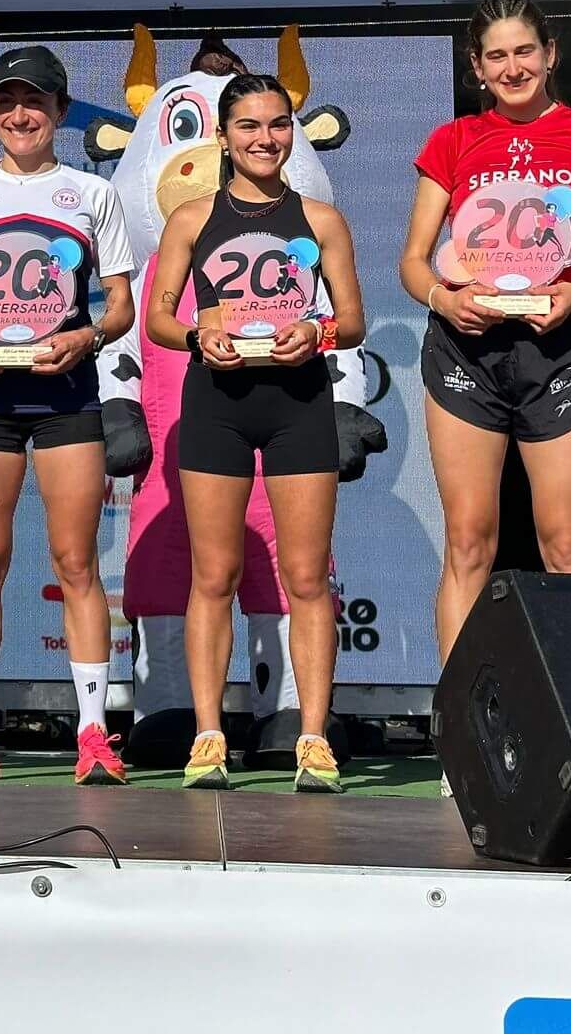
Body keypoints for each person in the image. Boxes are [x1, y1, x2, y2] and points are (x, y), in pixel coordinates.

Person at [399, 0, 571, 668]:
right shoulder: (451, 141)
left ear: (550, 54)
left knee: (565, 542)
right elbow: (413, 263)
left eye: (524, 52)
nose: (513, 68)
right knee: (470, 539)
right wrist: (443, 301)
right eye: (497, 56)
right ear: (478, 68)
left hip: (559, 348)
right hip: (467, 351)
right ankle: (460, 727)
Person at [0, 47, 137, 785]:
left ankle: (95, 735)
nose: (21, 116)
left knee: (77, 563)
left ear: (61, 111)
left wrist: (87, 336)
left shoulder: (90, 194)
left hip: (66, 399)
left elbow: (121, 306)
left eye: (35, 102)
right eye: (8, 102)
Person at [144, 74, 365, 793]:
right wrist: (198, 332)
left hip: (300, 401)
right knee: (214, 576)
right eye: (249, 126)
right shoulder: (190, 220)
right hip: (216, 404)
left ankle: (311, 737)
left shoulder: (322, 219)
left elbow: (352, 322)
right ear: (223, 133)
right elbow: (159, 321)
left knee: (306, 578)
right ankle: (209, 735)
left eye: (277, 125)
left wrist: (317, 330)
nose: (265, 139)